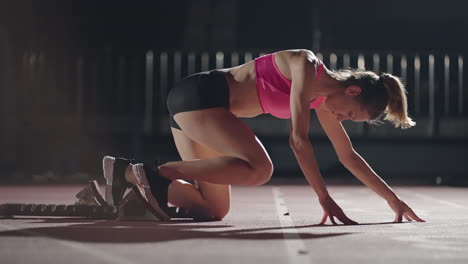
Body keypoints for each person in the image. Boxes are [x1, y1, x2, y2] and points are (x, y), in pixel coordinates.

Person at [102, 49, 426, 224]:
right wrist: (324, 198)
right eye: (351, 114)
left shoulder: (325, 103)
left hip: (203, 112)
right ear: (352, 90)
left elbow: (348, 155)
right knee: (260, 169)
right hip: (200, 96)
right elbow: (298, 140)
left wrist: (392, 200)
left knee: (213, 210)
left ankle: (122, 184)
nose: (344, 119)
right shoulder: (306, 64)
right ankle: (141, 171)